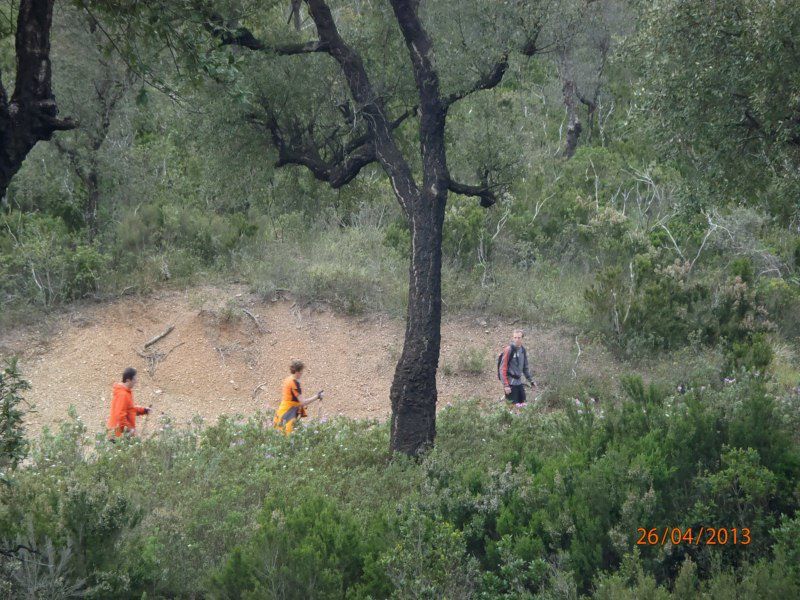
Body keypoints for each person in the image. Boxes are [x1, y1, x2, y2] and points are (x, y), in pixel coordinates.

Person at [273, 360, 323, 435]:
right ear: (297, 372)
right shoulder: (294, 383)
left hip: (282, 411)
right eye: (301, 372)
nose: (301, 374)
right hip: (289, 413)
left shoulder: (288, 379)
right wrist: (317, 396)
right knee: (288, 437)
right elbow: (303, 402)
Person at [107, 367, 150, 438]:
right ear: (128, 380)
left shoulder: (126, 392)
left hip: (119, 430)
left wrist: (144, 410)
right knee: (118, 446)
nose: (136, 381)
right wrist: (130, 428)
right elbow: (120, 415)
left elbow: (129, 409)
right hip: (117, 431)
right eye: (134, 379)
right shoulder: (123, 394)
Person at [499, 329, 536, 405]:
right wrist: (506, 385)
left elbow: (525, 368)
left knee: (523, 405)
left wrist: (531, 381)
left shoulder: (522, 350)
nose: (517, 339)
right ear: (513, 338)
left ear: (522, 338)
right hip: (510, 384)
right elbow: (502, 368)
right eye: (515, 337)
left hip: (519, 382)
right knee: (511, 408)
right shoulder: (508, 350)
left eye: (519, 337)